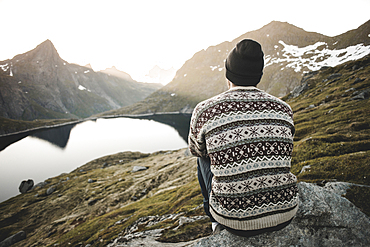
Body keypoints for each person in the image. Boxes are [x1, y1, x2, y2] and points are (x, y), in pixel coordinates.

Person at [188, 39, 298, 236]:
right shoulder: (284, 109)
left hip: (233, 220)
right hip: (285, 213)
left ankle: (215, 220)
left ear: (228, 74)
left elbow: (196, 150)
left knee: (202, 157)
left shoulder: (205, 110)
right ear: (259, 75)